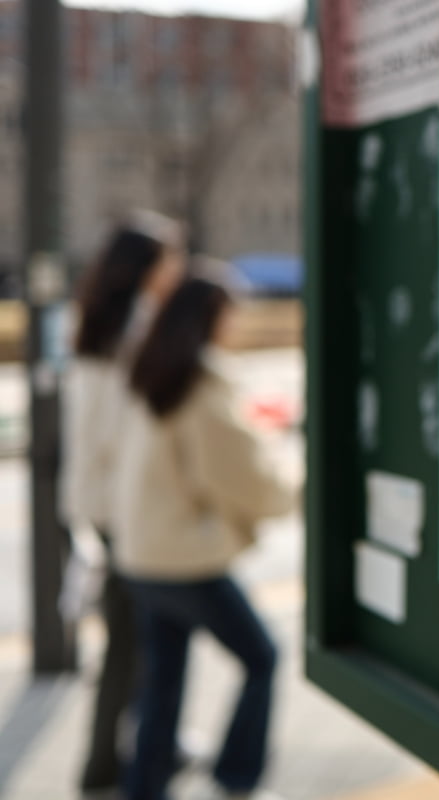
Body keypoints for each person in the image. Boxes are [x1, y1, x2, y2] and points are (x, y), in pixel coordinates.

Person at [114, 269, 296, 800]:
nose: (236, 323)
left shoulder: (152, 374)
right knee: (262, 657)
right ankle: (236, 778)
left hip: (142, 556)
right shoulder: (200, 387)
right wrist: (297, 489)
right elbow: (247, 480)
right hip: (185, 561)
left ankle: (142, 788)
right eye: (230, 311)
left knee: (163, 685)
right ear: (209, 318)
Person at [62, 212, 185, 797]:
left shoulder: (94, 321)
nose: (176, 270)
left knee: (131, 637)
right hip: (123, 509)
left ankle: (132, 751)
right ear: (146, 267)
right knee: (135, 642)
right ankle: (108, 765)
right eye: (170, 259)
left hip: (98, 503)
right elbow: (125, 434)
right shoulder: (134, 329)